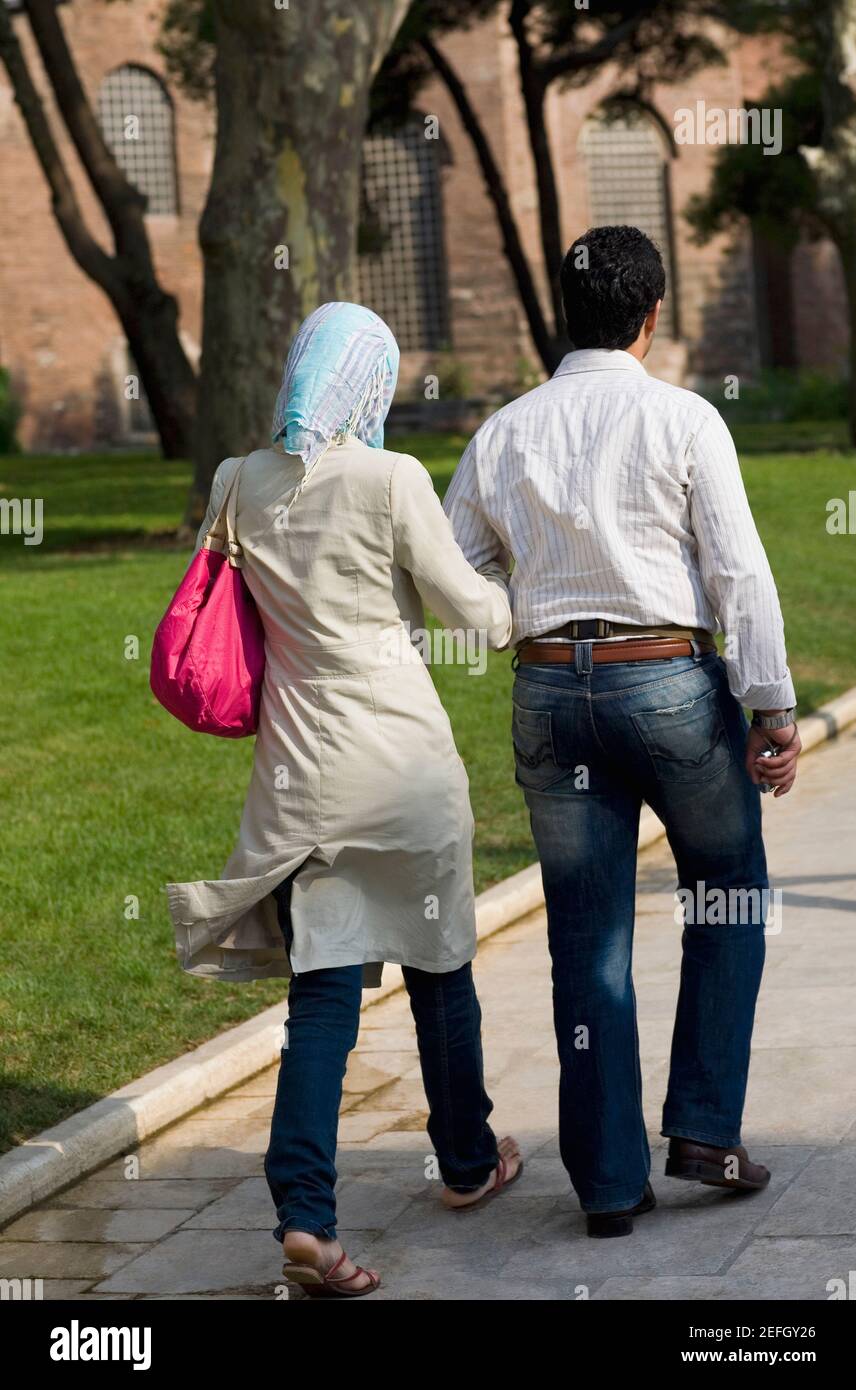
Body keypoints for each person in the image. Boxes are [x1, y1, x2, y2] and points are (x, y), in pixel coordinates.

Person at [444, 225, 801, 1238]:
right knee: (727, 892)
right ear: (651, 317)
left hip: (550, 694)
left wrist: (527, 607)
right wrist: (769, 708)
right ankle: (700, 1127)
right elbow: (739, 575)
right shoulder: (682, 419)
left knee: (584, 937)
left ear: (564, 317)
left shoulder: (501, 432)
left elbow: (447, 569)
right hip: (670, 684)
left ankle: (605, 1183)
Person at [166, 303, 522, 1296]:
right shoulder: (391, 479)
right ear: (372, 382)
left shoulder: (239, 480)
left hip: (299, 779)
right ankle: (464, 1163)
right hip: (402, 773)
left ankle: (306, 1220)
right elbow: (469, 609)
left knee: (321, 999)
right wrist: (510, 603)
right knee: (440, 968)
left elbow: (217, 596)